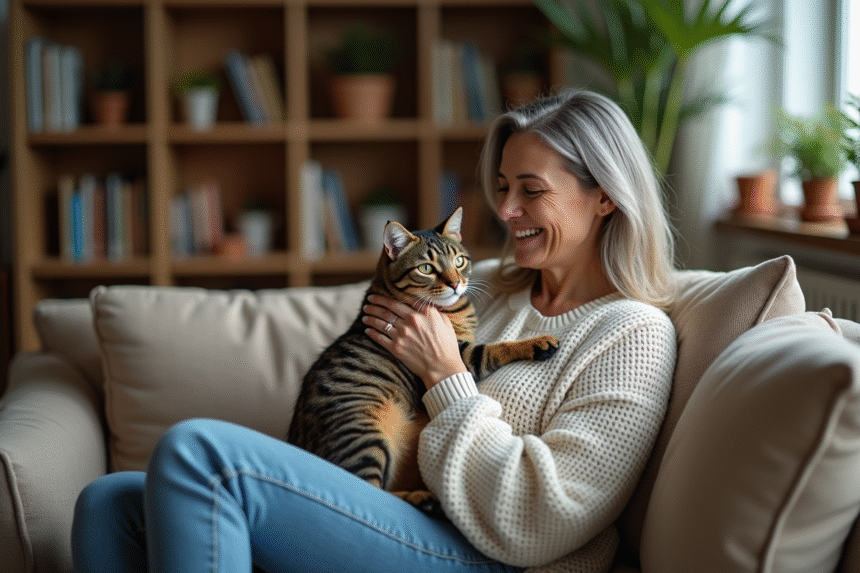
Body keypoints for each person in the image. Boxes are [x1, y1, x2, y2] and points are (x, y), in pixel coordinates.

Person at [71, 89, 677, 573]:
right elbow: (371, 378)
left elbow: (540, 519)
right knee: (110, 503)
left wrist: (446, 374)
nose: (506, 211)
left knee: (199, 452)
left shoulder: (632, 334)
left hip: (490, 554)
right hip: (403, 509)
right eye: (502, 188)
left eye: (531, 190)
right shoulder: (490, 285)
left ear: (604, 197)